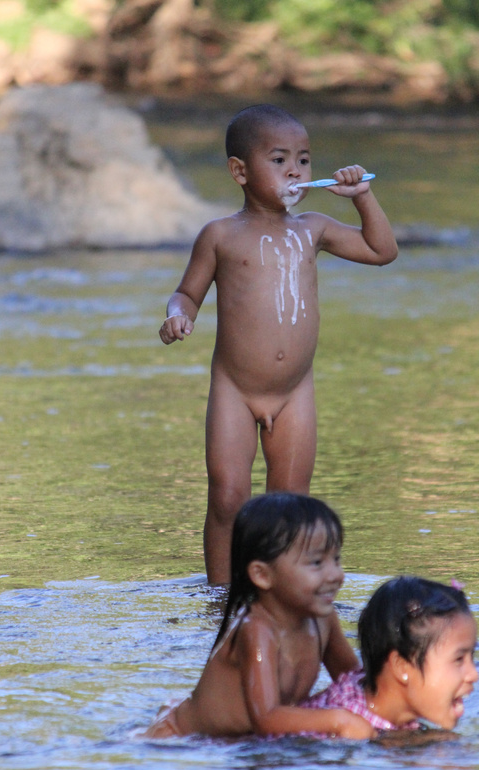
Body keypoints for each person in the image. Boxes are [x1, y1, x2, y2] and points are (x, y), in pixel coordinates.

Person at [159, 104, 398, 584]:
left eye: (304, 161)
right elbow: (187, 293)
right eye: (280, 160)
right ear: (240, 172)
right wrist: (177, 316)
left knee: (290, 501)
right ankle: (221, 598)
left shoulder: (313, 229)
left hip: (294, 392)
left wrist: (362, 198)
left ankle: (280, 592)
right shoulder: (221, 235)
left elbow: (381, 251)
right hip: (236, 390)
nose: (296, 170)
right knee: (228, 496)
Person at [144, 492, 370, 739]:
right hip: (178, 740)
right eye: (316, 563)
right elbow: (266, 719)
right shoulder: (257, 629)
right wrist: (338, 720)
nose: (335, 575)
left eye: (335, 559)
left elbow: (354, 683)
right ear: (262, 575)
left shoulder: (323, 620)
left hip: (239, 740)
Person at [301, 575, 479, 736]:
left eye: (471, 657)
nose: (474, 674)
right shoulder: (340, 732)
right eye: (458, 659)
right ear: (402, 666)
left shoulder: (376, 706)